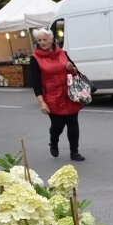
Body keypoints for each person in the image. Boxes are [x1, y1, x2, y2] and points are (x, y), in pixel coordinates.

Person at [29, 27, 85, 161]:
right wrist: (41, 102)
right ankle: (53, 141)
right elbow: (35, 83)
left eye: (45, 39)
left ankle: (74, 152)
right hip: (52, 97)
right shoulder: (35, 58)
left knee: (73, 124)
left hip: (70, 95)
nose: (43, 42)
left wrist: (72, 69)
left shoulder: (63, 53)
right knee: (58, 125)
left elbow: (76, 72)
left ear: (51, 39)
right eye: (39, 40)